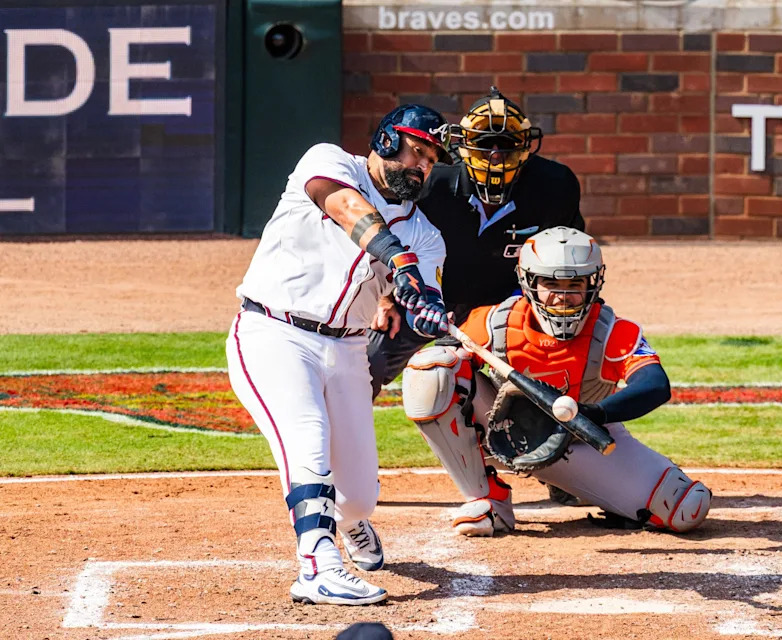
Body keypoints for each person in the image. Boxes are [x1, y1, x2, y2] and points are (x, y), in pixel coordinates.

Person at [225, 104, 451, 605]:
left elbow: (426, 297)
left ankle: (347, 524)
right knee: (307, 437)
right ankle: (317, 566)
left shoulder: (426, 235)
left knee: (359, 498)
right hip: (275, 332)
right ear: (387, 140)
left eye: (432, 161)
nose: (423, 167)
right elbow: (347, 207)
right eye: (418, 151)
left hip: (349, 349)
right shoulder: (329, 161)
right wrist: (399, 260)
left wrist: (426, 310)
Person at [400, 227, 712, 536]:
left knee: (686, 507)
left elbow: (654, 385)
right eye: (551, 283)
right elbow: (444, 370)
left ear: (593, 283)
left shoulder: (612, 330)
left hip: (584, 440)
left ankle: (575, 484)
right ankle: (486, 499)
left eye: (574, 284)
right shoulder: (494, 321)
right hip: (507, 433)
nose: (562, 296)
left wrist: (593, 414)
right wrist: (437, 331)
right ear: (528, 282)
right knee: (432, 368)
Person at [366, 87, 585, 398]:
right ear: (464, 146)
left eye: (506, 144)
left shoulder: (554, 187)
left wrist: (528, 312)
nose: (495, 155)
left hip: (506, 303)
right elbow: (386, 233)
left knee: (548, 375)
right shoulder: (432, 178)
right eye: (484, 144)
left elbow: (569, 261)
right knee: (367, 363)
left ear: (526, 147)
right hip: (424, 293)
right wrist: (384, 298)